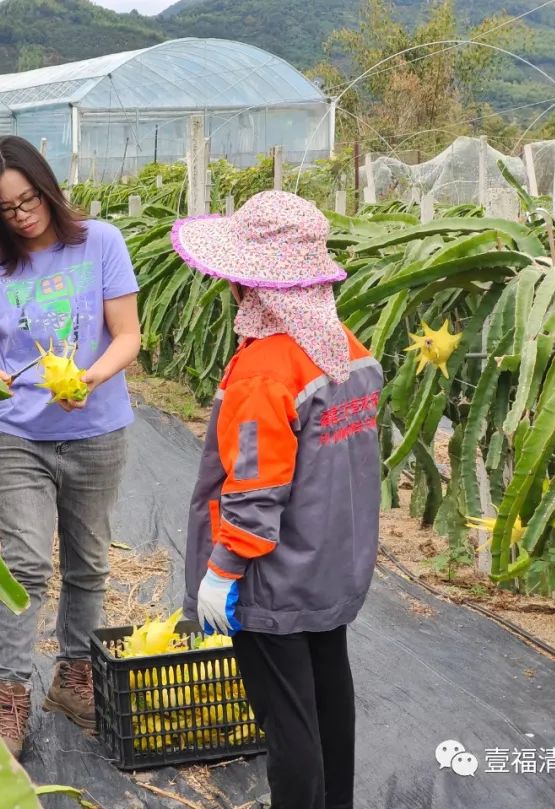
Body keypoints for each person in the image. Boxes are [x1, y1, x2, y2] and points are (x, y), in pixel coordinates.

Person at [172, 191, 383, 809]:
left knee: (287, 723)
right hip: (332, 567)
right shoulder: (347, 349)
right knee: (327, 697)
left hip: (273, 577)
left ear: (251, 287)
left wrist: (222, 570)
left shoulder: (264, 368)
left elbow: (256, 486)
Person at [0, 135, 141, 758]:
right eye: (8, 208)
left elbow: (127, 335)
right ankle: (10, 695)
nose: (23, 214)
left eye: (30, 199)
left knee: (88, 564)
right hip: (20, 437)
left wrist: (92, 377)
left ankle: (73, 679)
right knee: (23, 565)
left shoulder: (100, 242)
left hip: (97, 430)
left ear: (48, 188)